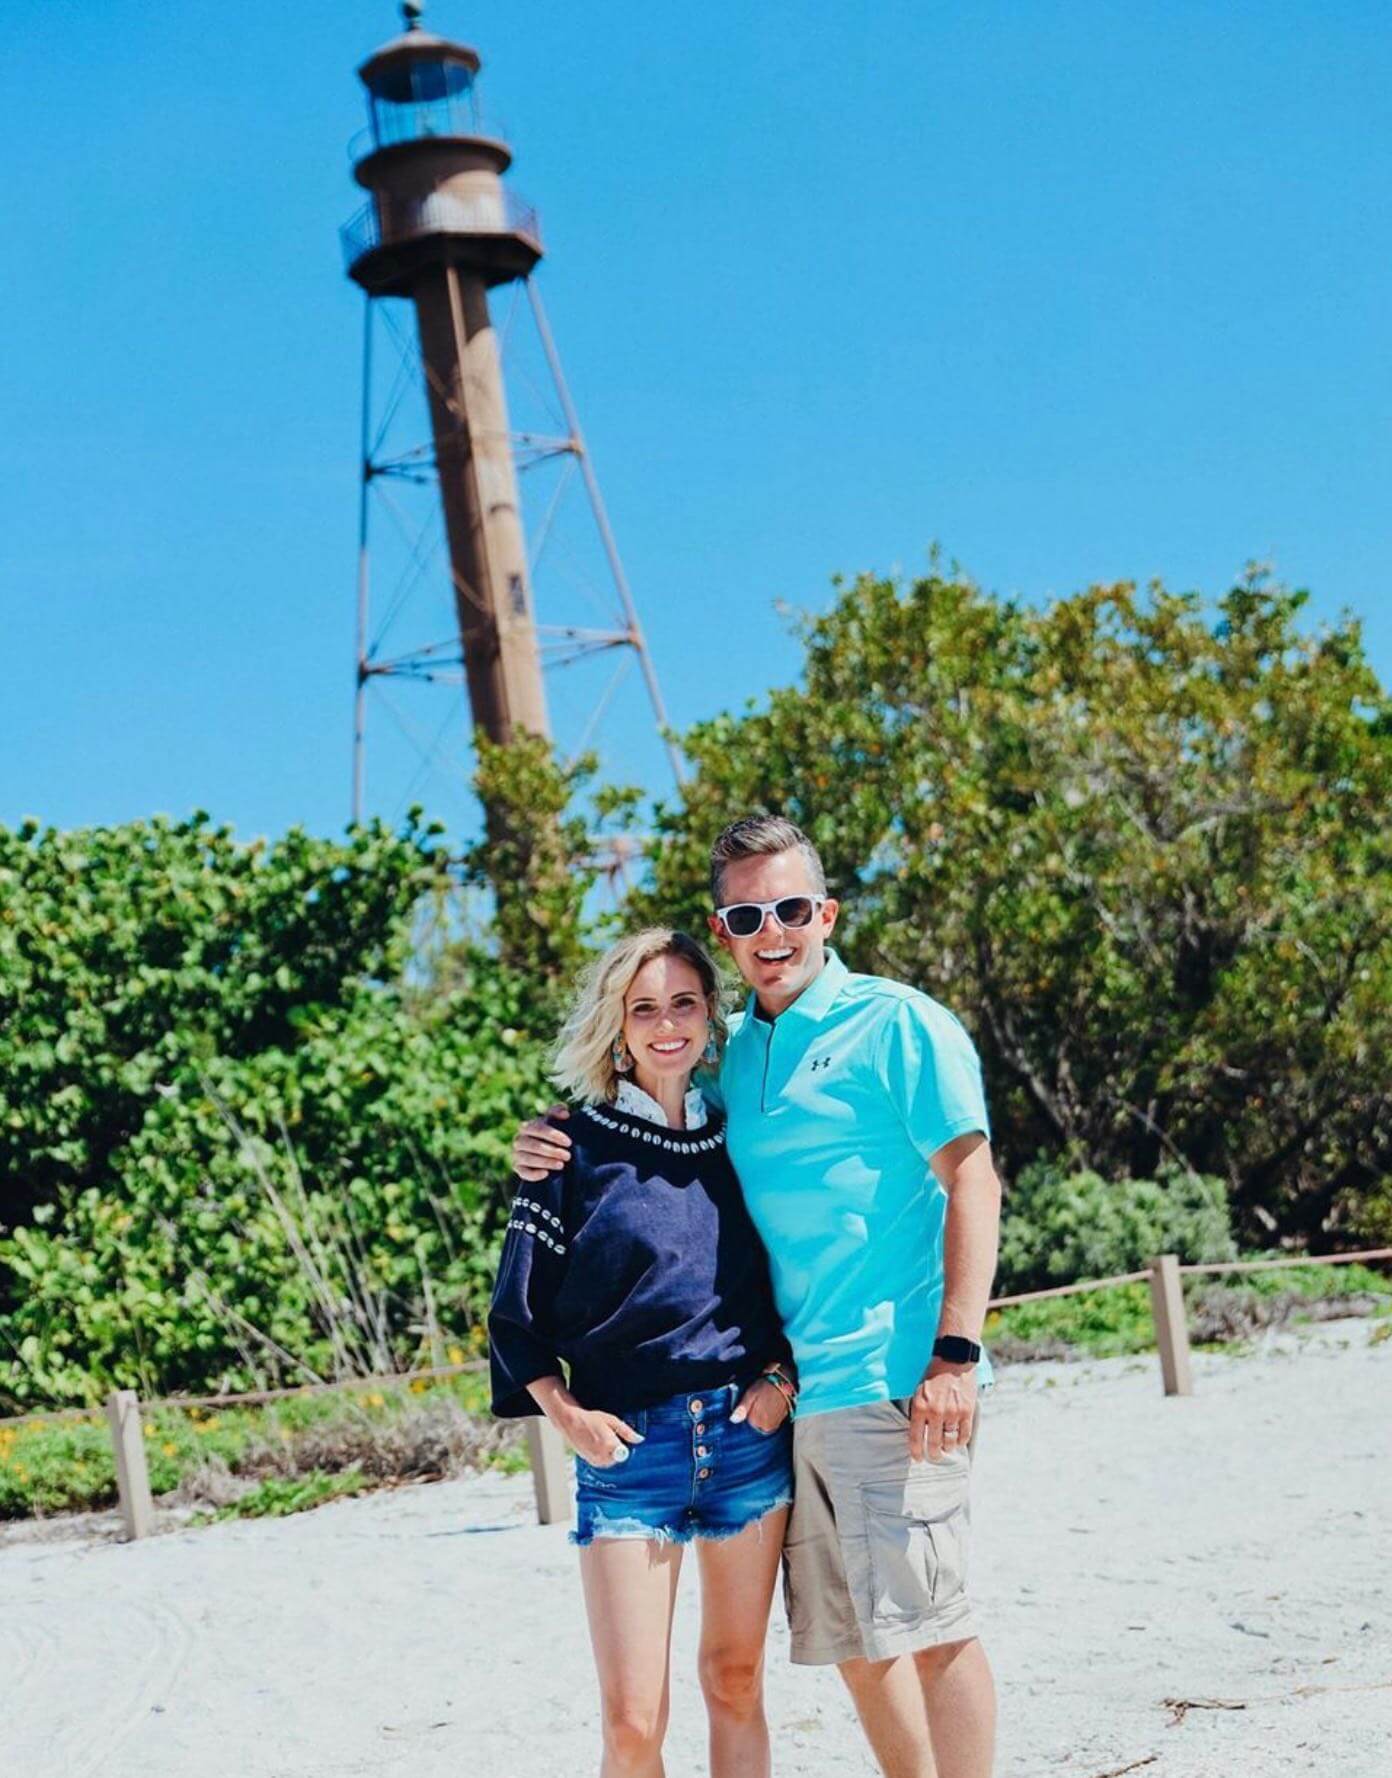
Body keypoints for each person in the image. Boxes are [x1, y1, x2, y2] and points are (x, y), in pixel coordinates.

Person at [514, 815, 1002, 1778]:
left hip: (897, 1377)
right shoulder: (732, 1053)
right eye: (747, 916)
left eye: (789, 909)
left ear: (827, 914)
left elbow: (974, 1180)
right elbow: (653, 1112)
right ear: (724, 930)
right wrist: (546, 1139)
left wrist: (956, 1352)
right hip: (795, 1402)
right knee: (856, 1641)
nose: (771, 931)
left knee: (932, 1627)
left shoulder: (897, 1023)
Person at [488, 926, 799, 1778]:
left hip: (746, 1441)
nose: (667, 1025)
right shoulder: (566, 1151)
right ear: (617, 1027)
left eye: (684, 1004)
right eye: (645, 1008)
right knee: (632, 1723)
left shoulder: (744, 1142)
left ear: (710, 1016)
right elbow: (515, 1316)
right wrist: (569, 1418)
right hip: (628, 1455)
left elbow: (802, 1269)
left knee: (736, 1681)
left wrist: (781, 1379)